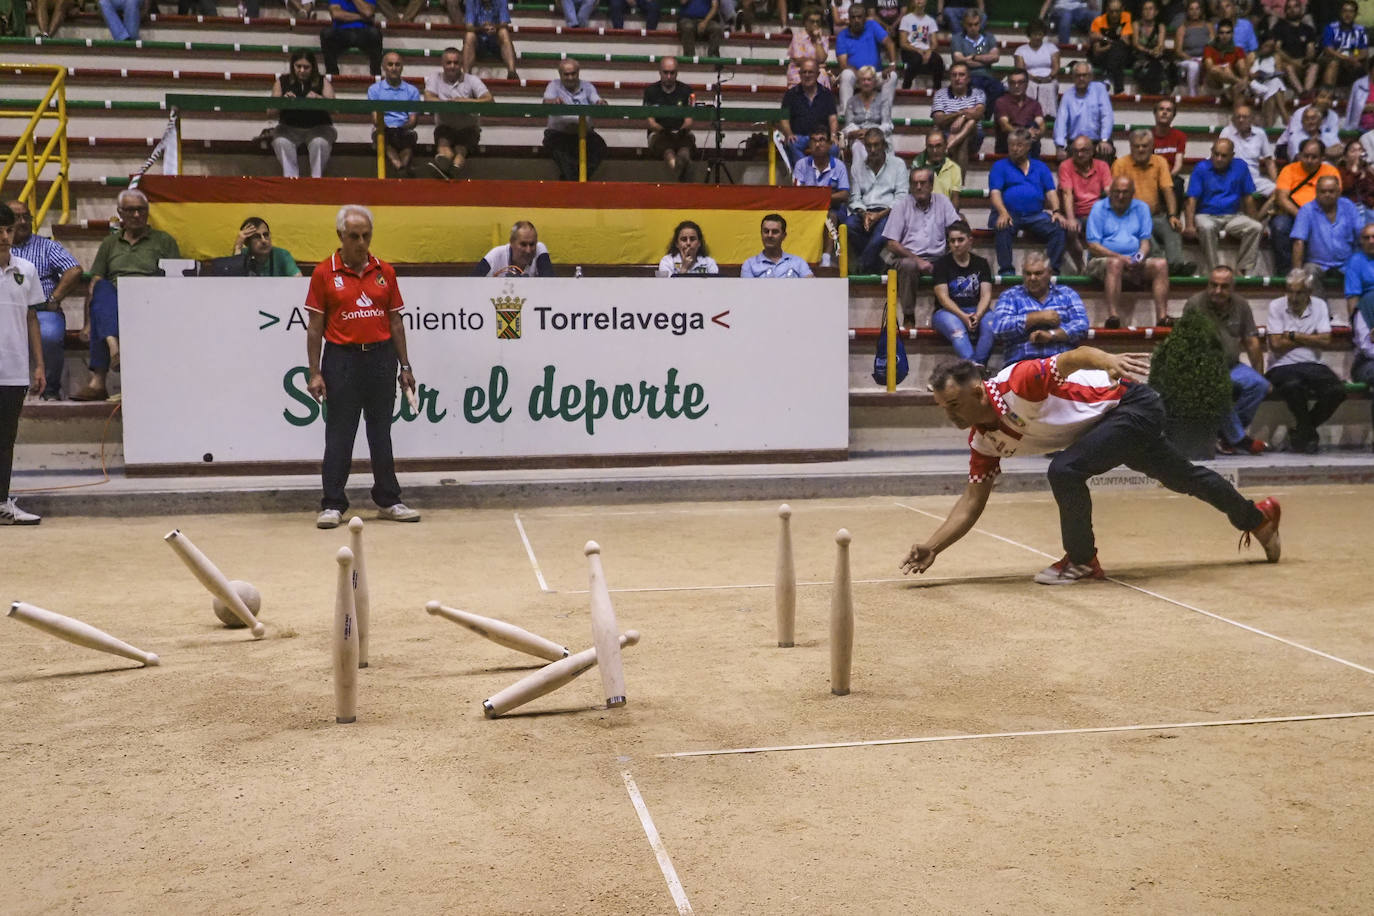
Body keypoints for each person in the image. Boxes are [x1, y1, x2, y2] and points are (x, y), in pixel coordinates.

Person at [900, 350, 1282, 584]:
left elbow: (1072, 356)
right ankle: (1258, 518)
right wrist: (933, 547)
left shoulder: (1018, 383)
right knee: (1184, 478)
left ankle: (1082, 561)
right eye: (943, 408)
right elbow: (971, 501)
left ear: (978, 390)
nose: (949, 414)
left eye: (953, 404)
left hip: (1131, 404)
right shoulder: (983, 441)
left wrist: (1108, 361)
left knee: (1065, 470)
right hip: (1106, 425)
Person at [306, 205, 419, 529]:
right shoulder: (323, 273)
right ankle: (332, 504)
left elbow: (395, 320)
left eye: (366, 236)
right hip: (342, 359)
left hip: (381, 358)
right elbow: (315, 327)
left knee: (380, 431)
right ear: (340, 235)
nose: (361, 242)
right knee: (340, 433)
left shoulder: (385, 271)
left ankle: (389, 500)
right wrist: (315, 372)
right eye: (354, 236)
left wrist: (405, 365)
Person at [72, 189, 179, 402]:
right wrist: (86, 323)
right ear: (120, 213)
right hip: (115, 298)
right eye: (131, 210)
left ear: (148, 212)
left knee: (103, 310)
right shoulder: (109, 243)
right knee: (102, 288)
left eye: (141, 210)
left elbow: (176, 276)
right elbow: (95, 283)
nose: (137, 215)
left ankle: (99, 380)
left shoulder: (164, 240)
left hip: (150, 298)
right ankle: (113, 347)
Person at [1182, 265, 1270, 454]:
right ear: (1208, 285)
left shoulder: (1241, 305)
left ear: (1232, 288)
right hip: (1202, 369)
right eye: (1213, 285)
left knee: (1260, 385)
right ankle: (1239, 439)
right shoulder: (1194, 304)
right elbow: (1185, 343)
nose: (1217, 291)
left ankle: (1223, 436)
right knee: (1217, 385)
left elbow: (1252, 342)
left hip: (1232, 366)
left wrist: (1259, 373)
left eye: (1223, 287)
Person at [6, 199, 81, 401]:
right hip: (8, 311)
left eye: (26, 217)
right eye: (16, 217)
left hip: (42, 311)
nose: (22, 222)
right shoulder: (2, 248)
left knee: (48, 335)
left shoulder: (47, 246)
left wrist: (54, 299)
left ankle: (50, 390)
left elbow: (74, 270)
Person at [1265, 270, 1345, 453]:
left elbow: (1326, 340)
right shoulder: (1276, 306)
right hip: (1281, 366)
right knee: (1293, 387)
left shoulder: (1320, 305)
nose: (1293, 297)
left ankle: (1302, 430)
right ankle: (1307, 434)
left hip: (1313, 365)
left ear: (1309, 292)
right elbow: (1276, 344)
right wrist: (1310, 338)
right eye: (1290, 291)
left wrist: (1294, 336)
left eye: (1299, 292)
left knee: (1337, 391)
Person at [0, 204, 45, 525]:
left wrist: (38, 365)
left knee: (5, 440)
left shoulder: (26, 270)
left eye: (8, 230)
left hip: (13, 371)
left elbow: (32, 318)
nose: (4, 237)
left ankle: (2, 503)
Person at [1085, 176, 1171, 326]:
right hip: (1102, 261)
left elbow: (1145, 242)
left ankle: (1162, 317)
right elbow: (1093, 245)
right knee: (1115, 263)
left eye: (1125, 192)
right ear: (1110, 192)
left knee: (1161, 264)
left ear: (1132, 193)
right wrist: (1121, 258)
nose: (1120, 196)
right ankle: (1113, 316)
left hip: (1132, 260)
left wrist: (1139, 257)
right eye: (1116, 192)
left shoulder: (1142, 208)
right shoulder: (1098, 208)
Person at [881, 167, 960, 324]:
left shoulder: (943, 202)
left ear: (931, 185)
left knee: (952, 260)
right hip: (906, 256)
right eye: (914, 183)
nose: (918, 187)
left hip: (937, 256)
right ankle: (909, 315)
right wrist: (918, 260)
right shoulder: (901, 206)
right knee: (909, 265)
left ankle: (943, 310)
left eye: (922, 183)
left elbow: (956, 228)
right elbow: (891, 243)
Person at [1113, 129, 1194, 277]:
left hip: (1156, 215)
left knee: (1173, 228)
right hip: (1131, 218)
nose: (1141, 149)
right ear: (1130, 146)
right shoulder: (1120, 164)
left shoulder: (1159, 162)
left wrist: (1172, 215)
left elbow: (1168, 190)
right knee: (1147, 236)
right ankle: (1161, 267)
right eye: (1137, 146)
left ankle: (1176, 265)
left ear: (1152, 146)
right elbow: (1116, 197)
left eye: (1145, 146)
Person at [988, 129, 1067, 276]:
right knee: (1002, 225)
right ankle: (1006, 271)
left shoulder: (1040, 166)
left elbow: (1051, 191)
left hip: (1035, 215)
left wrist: (1056, 211)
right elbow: (995, 193)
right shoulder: (1000, 166)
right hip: (1009, 213)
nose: (1014, 148)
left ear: (1028, 146)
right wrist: (1003, 212)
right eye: (1011, 145)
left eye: (1019, 145)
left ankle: (1050, 270)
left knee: (1058, 227)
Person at [1184, 138, 1262, 275]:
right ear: (1211, 153)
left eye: (1224, 156)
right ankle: (1213, 271)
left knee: (1256, 227)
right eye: (1216, 154)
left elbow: (1248, 198)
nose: (1219, 158)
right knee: (1206, 227)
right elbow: (1191, 199)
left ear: (1232, 156)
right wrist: (1189, 225)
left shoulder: (1241, 167)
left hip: (1233, 216)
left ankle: (1243, 269)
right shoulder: (1201, 168)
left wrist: (1254, 218)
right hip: (1206, 214)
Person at [1271, 139, 1342, 276]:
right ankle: (1286, 271)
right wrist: (1302, 216)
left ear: (1322, 158)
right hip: (1293, 212)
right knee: (1280, 226)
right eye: (1306, 156)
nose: (1309, 160)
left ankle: (1320, 268)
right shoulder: (1289, 169)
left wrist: (1314, 218)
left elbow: (1333, 198)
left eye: (1314, 157)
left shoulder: (1331, 171)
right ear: (1300, 155)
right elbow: (1281, 198)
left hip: (1321, 213)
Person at [931, 220, 995, 364]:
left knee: (991, 325)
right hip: (947, 312)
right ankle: (975, 369)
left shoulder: (981, 263)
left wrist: (977, 315)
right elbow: (943, 298)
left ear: (970, 241)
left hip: (976, 309)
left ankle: (977, 367)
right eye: (952, 241)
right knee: (957, 331)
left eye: (960, 240)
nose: (956, 244)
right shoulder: (941, 264)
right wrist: (963, 316)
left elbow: (986, 295)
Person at [424, 47, 492, 179]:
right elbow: (428, 98)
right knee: (443, 142)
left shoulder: (472, 80)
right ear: (442, 64)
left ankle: (451, 168)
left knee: (461, 149)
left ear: (461, 64)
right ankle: (446, 163)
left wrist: (466, 101)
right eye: (448, 63)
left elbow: (489, 99)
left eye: (456, 63)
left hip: (469, 128)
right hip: (445, 127)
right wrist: (447, 103)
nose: (452, 66)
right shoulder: (434, 78)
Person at [847, 129, 908, 275]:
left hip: (889, 211)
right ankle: (878, 263)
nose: (872, 150)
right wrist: (864, 214)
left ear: (884, 145)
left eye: (876, 145)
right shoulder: (857, 167)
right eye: (869, 146)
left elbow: (902, 197)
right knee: (847, 226)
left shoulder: (898, 164)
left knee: (882, 231)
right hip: (865, 211)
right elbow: (855, 198)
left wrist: (879, 215)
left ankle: (862, 266)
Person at [270, 51, 337, 179]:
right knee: (280, 141)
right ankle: (291, 179)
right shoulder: (282, 81)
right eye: (298, 66)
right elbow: (270, 112)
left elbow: (335, 109)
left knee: (319, 143)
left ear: (313, 67)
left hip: (319, 128)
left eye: (306, 67)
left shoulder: (322, 81)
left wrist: (319, 99)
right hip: (288, 128)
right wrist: (282, 102)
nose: (302, 70)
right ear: (292, 66)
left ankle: (316, 179)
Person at [793, 128, 850, 268]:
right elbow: (796, 193)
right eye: (814, 140)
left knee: (830, 217)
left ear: (830, 145)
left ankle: (826, 257)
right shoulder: (801, 165)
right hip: (807, 209)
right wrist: (818, 200)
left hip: (833, 209)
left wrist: (821, 198)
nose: (818, 144)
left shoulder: (839, 166)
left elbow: (844, 194)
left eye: (822, 140)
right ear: (809, 144)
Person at [1291, 175, 1360, 291]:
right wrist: (1297, 273)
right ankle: (1318, 309)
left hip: (1347, 263)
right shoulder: (1306, 210)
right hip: (1317, 264)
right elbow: (1299, 242)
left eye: (1331, 191)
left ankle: (1360, 309)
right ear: (1316, 192)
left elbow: (1361, 234)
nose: (1327, 195)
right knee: (1309, 272)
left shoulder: (1349, 206)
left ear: (1339, 192)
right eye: (1323, 191)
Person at [542, 60, 609, 181]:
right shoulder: (553, 85)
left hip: (585, 134)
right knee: (562, 153)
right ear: (560, 74)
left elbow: (596, 100)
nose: (570, 77)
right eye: (566, 74)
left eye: (573, 74)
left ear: (578, 73)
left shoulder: (588, 86)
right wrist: (554, 101)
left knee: (600, 147)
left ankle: (573, 180)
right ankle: (574, 182)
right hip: (558, 135)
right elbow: (546, 102)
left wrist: (600, 102)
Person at [1058, 134, 1113, 272]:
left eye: (1083, 150)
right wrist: (1070, 219)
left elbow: (1109, 190)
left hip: (1097, 213)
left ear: (1092, 151)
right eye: (1076, 151)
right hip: (1076, 213)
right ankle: (1081, 267)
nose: (1079, 154)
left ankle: (1092, 266)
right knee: (1068, 230)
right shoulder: (1065, 166)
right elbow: (1067, 193)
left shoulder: (1103, 166)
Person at [367, 51, 421, 177]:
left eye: (397, 65)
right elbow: (375, 119)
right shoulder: (374, 89)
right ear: (384, 67)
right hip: (383, 129)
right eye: (390, 64)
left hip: (404, 129)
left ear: (402, 67)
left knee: (409, 140)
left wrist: (400, 128)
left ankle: (399, 169)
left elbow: (413, 121)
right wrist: (389, 128)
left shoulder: (412, 91)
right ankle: (401, 169)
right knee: (383, 137)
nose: (394, 68)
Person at [644, 57, 695, 182]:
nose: (668, 76)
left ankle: (682, 182)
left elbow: (689, 121)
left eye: (672, 73)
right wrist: (663, 131)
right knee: (668, 152)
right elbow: (650, 122)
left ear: (677, 73)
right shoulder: (650, 91)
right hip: (659, 133)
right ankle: (684, 184)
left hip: (682, 133)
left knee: (684, 154)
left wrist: (680, 131)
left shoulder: (687, 91)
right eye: (665, 72)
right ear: (660, 72)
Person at [779, 59, 840, 165]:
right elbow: (784, 119)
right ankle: (804, 176)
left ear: (817, 74)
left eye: (810, 72)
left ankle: (826, 178)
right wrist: (788, 134)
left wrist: (834, 135)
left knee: (834, 148)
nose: (807, 75)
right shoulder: (790, 94)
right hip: (799, 137)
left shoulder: (827, 94)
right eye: (804, 72)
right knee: (792, 144)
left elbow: (833, 119)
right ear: (799, 74)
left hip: (822, 137)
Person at [931, 62, 985, 174]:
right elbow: (939, 120)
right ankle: (960, 185)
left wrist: (963, 117)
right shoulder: (940, 94)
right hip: (947, 133)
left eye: (961, 75)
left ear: (968, 78)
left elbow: (978, 114)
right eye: (954, 75)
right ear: (950, 77)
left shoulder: (978, 93)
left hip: (975, 136)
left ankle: (950, 145)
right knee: (963, 140)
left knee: (971, 123)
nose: (957, 78)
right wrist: (962, 113)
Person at [1053, 62, 1114, 161]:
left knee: (1105, 151)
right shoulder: (1067, 96)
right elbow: (1061, 122)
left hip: (1097, 141)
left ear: (1090, 76)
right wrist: (1060, 146)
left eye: (1084, 75)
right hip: (1075, 143)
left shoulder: (1100, 89)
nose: (1081, 78)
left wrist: (1104, 140)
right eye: (1078, 75)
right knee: (1064, 158)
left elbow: (1107, 116)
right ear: (1073, 77)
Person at [836, 10, 896, 110]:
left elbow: (889, 43)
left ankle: (885, 114)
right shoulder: (842, 36)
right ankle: (846, 114)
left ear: (865, 18)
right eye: (853, 17)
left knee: (892, 76)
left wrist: (892, 64)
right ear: (849, 20)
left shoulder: (872, 26)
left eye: (859, 17)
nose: (857, 20)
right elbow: (843, 65)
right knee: (846, 74)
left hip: (874, 75)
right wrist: (859, 74)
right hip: (855, 76)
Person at [1219, 103, 1277, 197]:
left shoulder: (1260, 133)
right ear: (1234, 119)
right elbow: (1219, 156)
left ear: (1252, 119)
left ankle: (1262, 212)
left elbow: (1269, 161)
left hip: (1255, 180)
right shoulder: (1226, 132)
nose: (1241, 120)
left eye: (1245, 117)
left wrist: (1276, 182)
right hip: (1232, 179)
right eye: (1238, 117)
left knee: (1278, 191)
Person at [949, 10, 1003, 110]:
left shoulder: (989, 37)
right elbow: (959, 60)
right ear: (964, 24)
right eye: (970, 25)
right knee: (977, 89)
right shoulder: (957, 38)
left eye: (976, 24)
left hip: (987, 76)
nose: (973, 28)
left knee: (999, 88)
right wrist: (985, 61)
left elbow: (995, 57)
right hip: (968, 77)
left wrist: (974, 57)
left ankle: (985, 117)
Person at [842, 66, 896, 163]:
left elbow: (887, 125)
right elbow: (848, 126)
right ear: (859, 82)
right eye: (863, 80)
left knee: (883, 144)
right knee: (858, 147)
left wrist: (870, 133)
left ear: (874, 82)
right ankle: (860, 178)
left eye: (869, 79)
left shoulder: (883, 99)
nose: (866, 82)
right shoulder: (852, 101)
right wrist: (858, 133)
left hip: (879, 135)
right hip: (859, 137)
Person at [320, 0, 382, 76]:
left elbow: (368, 12)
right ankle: (333, 74)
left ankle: (376, 74)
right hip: (342, 31)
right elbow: (336, 14)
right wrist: (361, 17)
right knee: (326, 33)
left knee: (375, 33)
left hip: (364, 32)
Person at [741, 214, 815, 278]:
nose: (770, 235)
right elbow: (748, 292)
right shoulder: (749, 265)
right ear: (761, 234)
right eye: (766, 231)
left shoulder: (798, 262)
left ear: (784, 236)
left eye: (775, 232)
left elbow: (811, 287)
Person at [993, 68, 1045, 157]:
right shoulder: (1001, 102)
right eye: (1012, 83)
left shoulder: (1034, 104)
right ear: (1008, 84)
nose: (1016, 86)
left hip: (1030, 145)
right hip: (1008, 144)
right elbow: (1005, 126)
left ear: (1027, 84)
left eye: (1020, 82)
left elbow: (1041, 125)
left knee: (1033, 125)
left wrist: (1038, 133)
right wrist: (1026, 134)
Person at [473, 221, 556, 276]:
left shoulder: (540, 249)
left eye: (532, 244)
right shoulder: (496, 254)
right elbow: (472, 282)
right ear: (511, 243)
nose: (528, 250)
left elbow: (551, 284)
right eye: (523, 244)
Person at [1014, 21, 1060, 118]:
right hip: (1028, 79)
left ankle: (1048, 115)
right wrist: (1034, 78)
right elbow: (1020, 70)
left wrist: (1049, 77)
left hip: (1048, 78)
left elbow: (1056, 67)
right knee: (1029, 86)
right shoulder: (1021, 50)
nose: (1038, 37)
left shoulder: (1051, 47)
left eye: (1040, 34)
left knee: (1049, 86)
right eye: (1035, 34)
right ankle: (1028, 114)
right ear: (1029, 35)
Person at [464, 0, 519, 80]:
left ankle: (511, 72)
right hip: (479, 40)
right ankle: (466, 75)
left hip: (496, 40)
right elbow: (469, 26)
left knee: (503, 32)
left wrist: (495, 27)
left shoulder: (501, 1)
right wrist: (482, 28)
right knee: (469, 35)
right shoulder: (471, 1)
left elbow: (504, 23)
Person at [1273, 0, 1319, 95]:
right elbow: (1277, 49)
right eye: (1289, 7)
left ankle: (1307, 92)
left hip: (1303, 63)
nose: (1292, 10)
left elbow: (1310, 49)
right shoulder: (1279, 28)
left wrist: (1306, 59)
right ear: (1285, 11)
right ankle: (1301, 93)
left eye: (1295, 6)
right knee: (1288, 67)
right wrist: (1293, 61)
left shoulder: (1308, 29)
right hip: (1288, 64)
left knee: (1314, 66)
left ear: (1301, 9)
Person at [230, 217, 302, 277]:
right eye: (257, 237)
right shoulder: (242, 255)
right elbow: (235, 282)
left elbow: (298, 282)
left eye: (266, 235)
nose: (264, 240)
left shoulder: (282, 255)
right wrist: (237, 246)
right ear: (247, 242)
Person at [1088, 0, 1133, 95]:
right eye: (1111, 11)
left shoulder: (1126, 17)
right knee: (1117, 49)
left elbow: (1126, 41)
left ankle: (1107, 76)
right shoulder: (1098, 21)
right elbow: (1097, 50)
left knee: (1118, 47)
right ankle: (1119, 89)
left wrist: (1105, 40)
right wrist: (1109, 42)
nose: (1114, 14)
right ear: (1107, 10)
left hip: (1120, 55)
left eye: (1117, 11)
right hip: (1102, 56)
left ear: (1122, 10)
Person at [897, 0, 944, 90]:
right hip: (910, 50)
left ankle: (937, 90)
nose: (919, 1)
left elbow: (934, 43)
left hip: (926, 50)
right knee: (916, 59)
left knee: (938, 60)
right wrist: (918, 50)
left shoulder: (931, 20)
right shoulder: (906, 19)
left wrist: (929, 51)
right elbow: (903, 43)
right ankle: (906, 87)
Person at [1248, 34, 1292, 129]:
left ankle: (1269, 126)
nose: (1269, 49)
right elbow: (1247, 75)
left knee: (1274, 84)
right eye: (1266, 46)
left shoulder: (1276, 56)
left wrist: (1270, 75)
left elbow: (1278, 73)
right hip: (1256, 85)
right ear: (1261, 45)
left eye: (1271, 47)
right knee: (1274, 86)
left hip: (1270, 84)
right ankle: (1285, 115)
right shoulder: (1252, 55)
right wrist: (1256, 75)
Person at [1320, 0, 1367, 87]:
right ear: (1340, 13)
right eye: (1345, 11)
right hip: (1333, 58)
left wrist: (1354, 59)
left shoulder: (1361, 30)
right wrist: (1346, 58)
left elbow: (1364, 52)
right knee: (1334, 62)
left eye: (1351, 11)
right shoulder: (1330, 27)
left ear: (1356, 14)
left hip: (1352, 60)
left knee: (1361, 65)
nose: (1347, 14)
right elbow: (1328, 50)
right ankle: (1326, 95)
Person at [1202, 19, 1249, 104]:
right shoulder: (1209, 48)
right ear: (1217, 34)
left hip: (1230, 85)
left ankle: (1237, 115)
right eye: (1221, 33)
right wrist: (1226, 71)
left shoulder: (1238, 50)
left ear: (1232, 34)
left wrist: (1243, 77)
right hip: (1213, 85)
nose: (1224, 36)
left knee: (1238, 88)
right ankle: (1241, 82)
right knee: (1215, 70)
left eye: (1228, 33)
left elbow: (1242, 68)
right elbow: (1210, 68)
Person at [1174, 0, 1213, 96]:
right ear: (1187, 12)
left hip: (1205, 58)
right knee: (1194, 66)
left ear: (1201, 11)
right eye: (1191, 9)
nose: (1194, 12)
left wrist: (1205, 58)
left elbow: (1213, 45)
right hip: (1188, 59)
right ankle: (1192, 95)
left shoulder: (1208, 26)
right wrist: (1192, 59)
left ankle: (1212, 94)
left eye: (1197, 9)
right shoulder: (1182, 28)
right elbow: (1178, 51)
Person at [1129, 0, 1169, 94]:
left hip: (1156, 57)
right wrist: (1148, 51)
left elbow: (1161, 44)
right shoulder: (1136, 25)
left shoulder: (1160, 26)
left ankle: (1161, 94)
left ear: (1156, 12)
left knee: (1165, 67)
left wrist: (1156, 50)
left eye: (1151, 9)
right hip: (1140, 58)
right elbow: (1136, 44)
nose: (1148, 12)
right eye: (1145, 9)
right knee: (1149, 68)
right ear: (1142, 12)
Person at [788, 7, 833, 89]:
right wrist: (817, 63)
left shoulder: (823, 39)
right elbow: (798, 60)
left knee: (822, 75)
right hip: (799, 71)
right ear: (805, 22)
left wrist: (817, 40)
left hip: (817, 71)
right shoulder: (797, 38)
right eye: (812, 21)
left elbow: (822, 59)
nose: (815, 24)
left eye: (818, 22)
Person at [914, 130, 963, 199]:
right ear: (926, 147)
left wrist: (951, 210)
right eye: (930, 147)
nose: (934, 150)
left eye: (938, 146)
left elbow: (955, 198)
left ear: (946, 146)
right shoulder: (918, 166)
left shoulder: (954, 168)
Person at [1345, 223, 1374, 334]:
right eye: (1367, 238)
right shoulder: (1355, 262)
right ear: (1361, 241)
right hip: (1369, 311)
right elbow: (1353, 297)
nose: (1371, 241)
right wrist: (1354, 328)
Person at [1339, 139, 1374, 226]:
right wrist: (1354, 170)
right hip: (1349, 211)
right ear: (1345, 157)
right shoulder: (1341, 171)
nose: (1358, 153)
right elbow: (1347, 187)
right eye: (1353, 151)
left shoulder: (1368, 171)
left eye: (1360, 150)